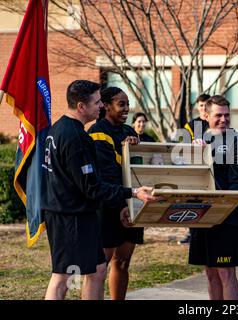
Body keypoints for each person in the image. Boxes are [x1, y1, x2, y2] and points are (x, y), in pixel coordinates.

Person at [41, 80, 160, 300]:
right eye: (97, 102)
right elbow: (93, 187)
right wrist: (132, 193)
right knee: (63, 278)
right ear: (81, 106)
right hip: (70, 216)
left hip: (74, 214)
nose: (100, 106)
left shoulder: (59, 128)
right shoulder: (76, 137)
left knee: (97, 270)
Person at [188, 95, 238, 300]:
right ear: (205, 115)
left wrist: (220, 205)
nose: (224, 119)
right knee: (210, 271)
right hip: (202, 214)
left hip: (228, 214)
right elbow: (189, 178)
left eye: (227, 115)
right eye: (218, 115)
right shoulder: (198, 142)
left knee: (225, 271)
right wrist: (197, 154)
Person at [88, 87, 146, 300]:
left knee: (122, 262)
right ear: (105, 106)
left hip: (131, 203)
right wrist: (123, 204)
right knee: (99, 267)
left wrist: (134, 148)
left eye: (127, 104)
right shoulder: (97, 131)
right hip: (108, 206)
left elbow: (138, 169)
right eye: (121, 104)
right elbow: (108, 174)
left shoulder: (130, 131)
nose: (126, 109)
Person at [178, 93, 211, 245]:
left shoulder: (215, 123)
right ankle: (192, 232)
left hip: (211, 168)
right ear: (198, 107)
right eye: (201, 105)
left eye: (206, 105)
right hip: (194, 166)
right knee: (192, 199)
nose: (204, 108)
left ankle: (207, 230)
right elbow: (182, 145)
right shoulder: (191, 125)